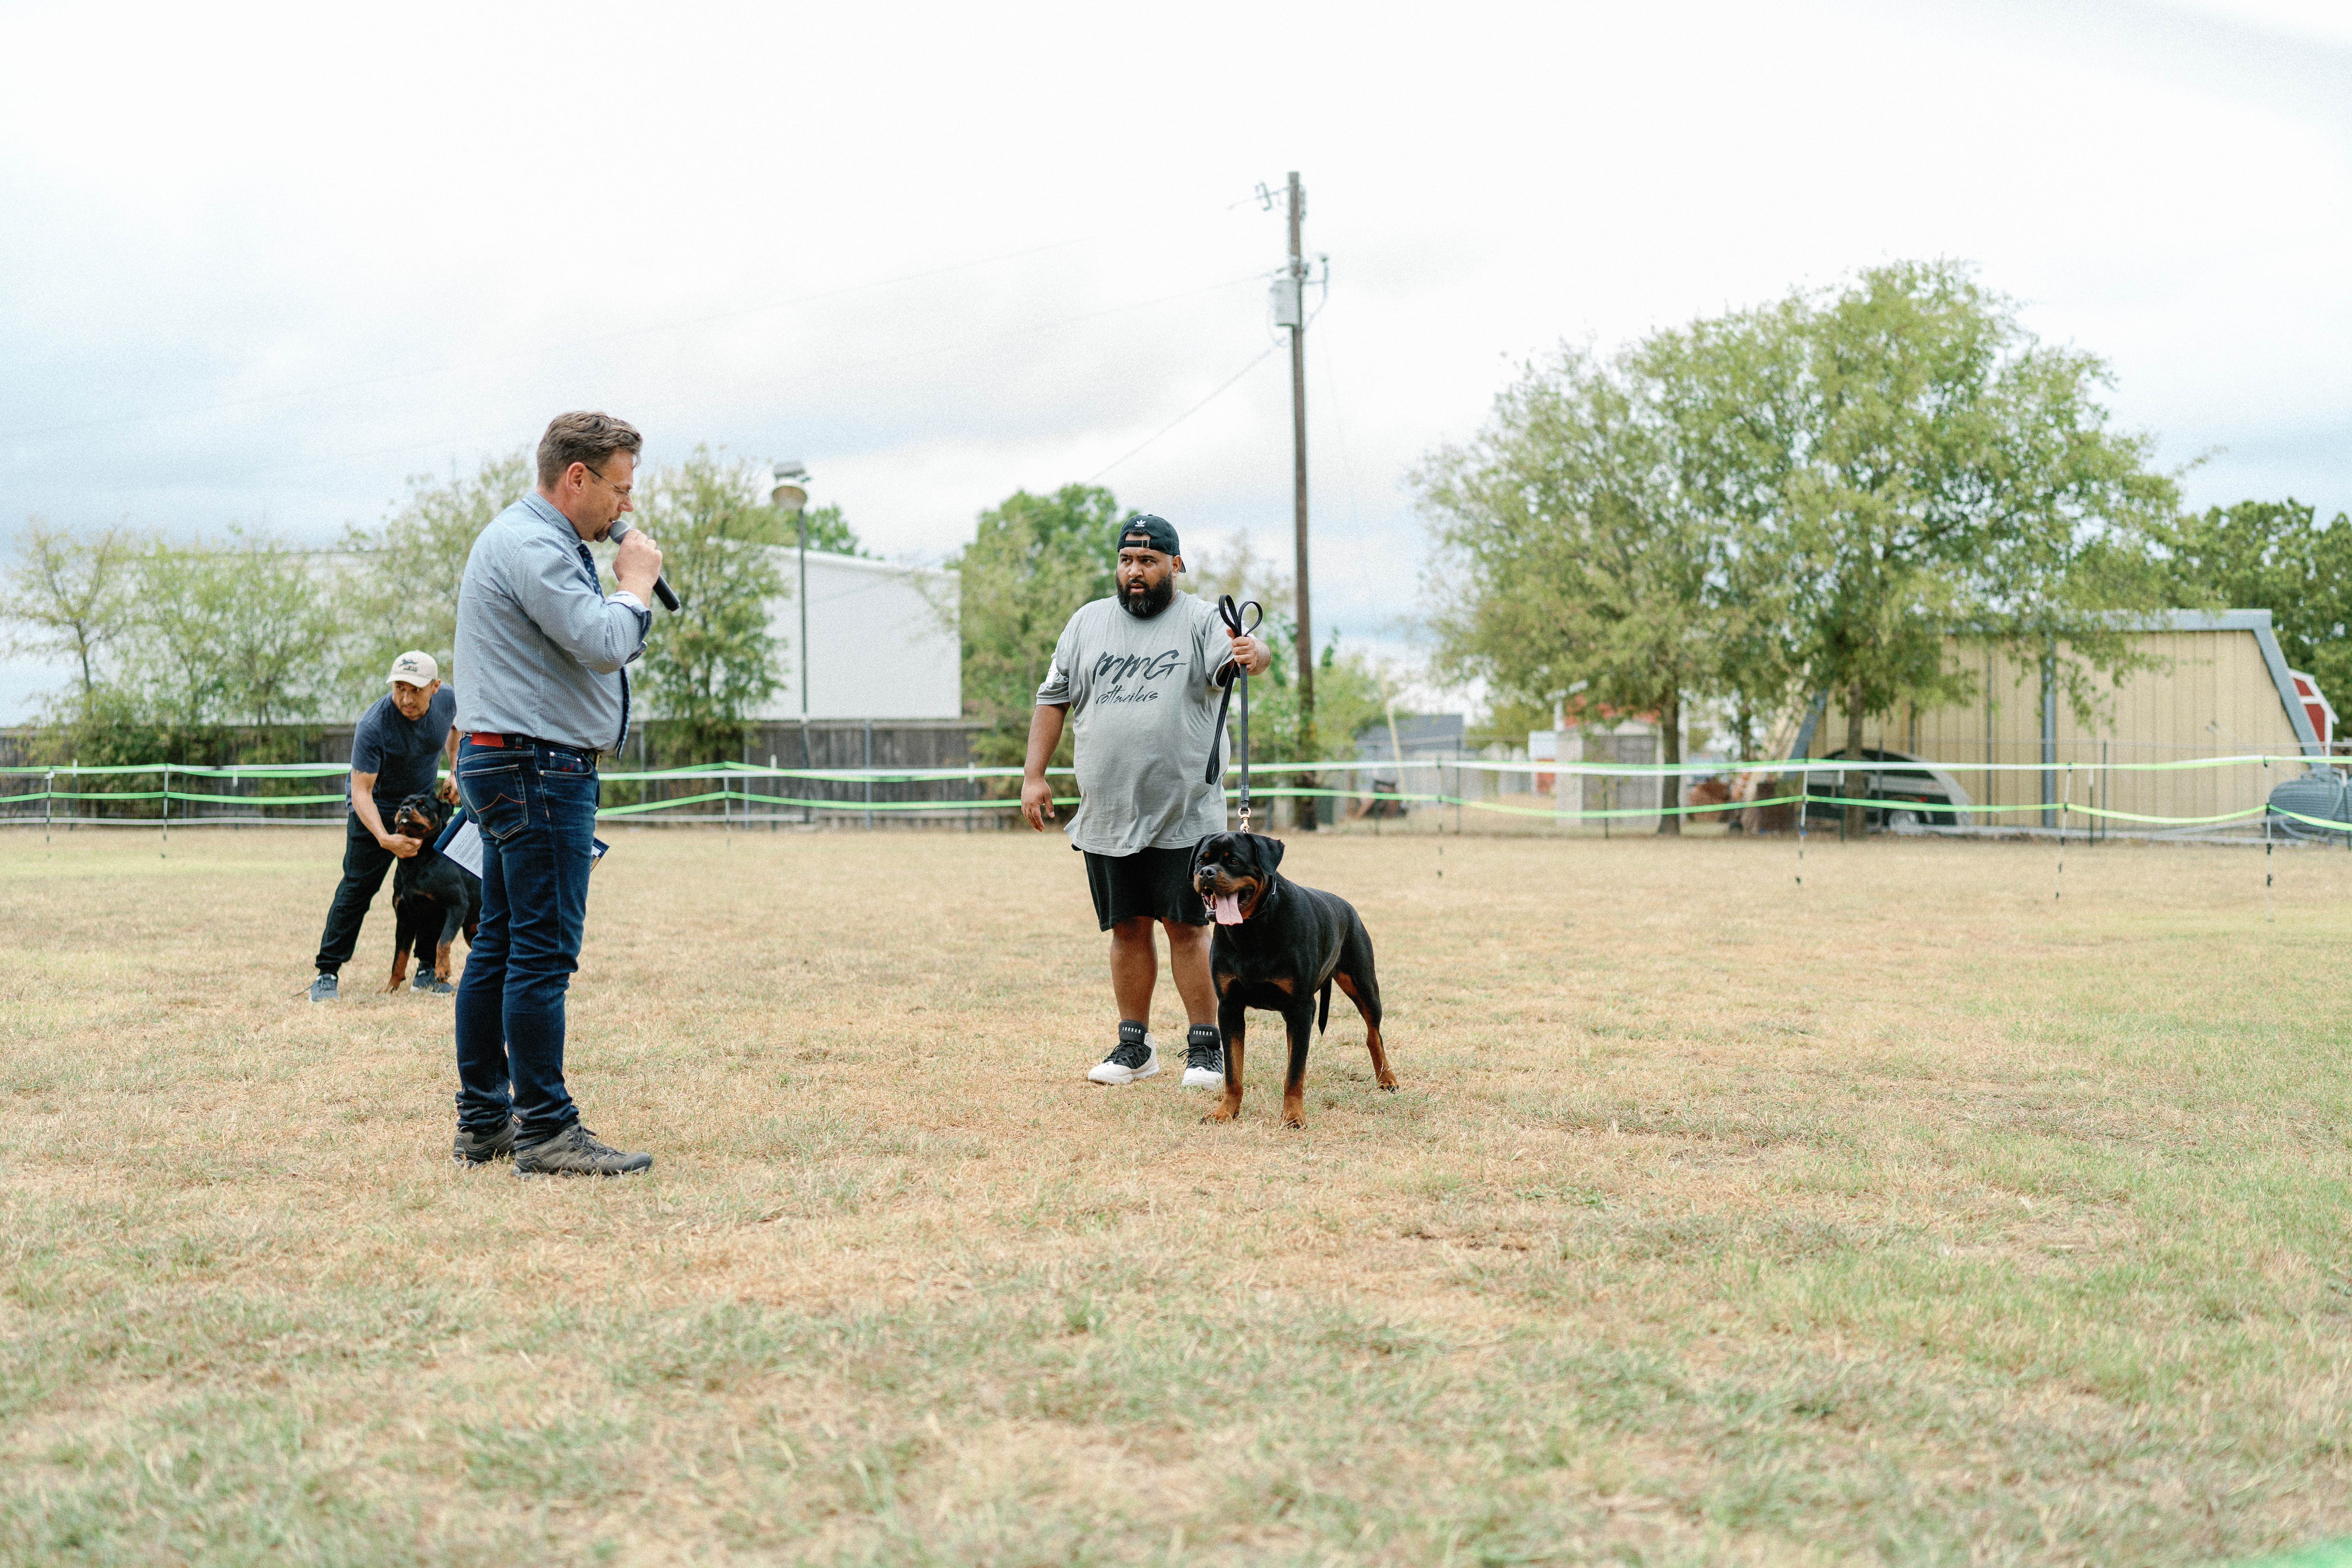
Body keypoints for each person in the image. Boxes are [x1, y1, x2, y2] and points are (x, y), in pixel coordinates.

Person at [448, 411, 664, 1177]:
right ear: (577, 477)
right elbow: (604, 643)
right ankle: (545, 1128)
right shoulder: (535, 543)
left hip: (513, 766)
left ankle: (486, 1118)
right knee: (540, 952)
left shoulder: (526, 538)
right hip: (537, 772)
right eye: (618, 488)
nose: (624, 508)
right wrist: (634, 586)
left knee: (502, 942)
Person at [1021, 513, 1271, 1087]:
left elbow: (1250, 656)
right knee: (1127, 927)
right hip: (1107, 811)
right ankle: (1134, 1045)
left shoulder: (1202, 620)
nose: (1135, 571)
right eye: (1127, 561)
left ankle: (1205, 1047)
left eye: (1149, 561)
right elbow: (1052, 698)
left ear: (1174, 565)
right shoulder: (1085, 623)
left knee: (1186, 927)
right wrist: (1033, 774)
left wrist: (1253, 652)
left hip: (1184, 812)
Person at [307, 651, 458, 1002]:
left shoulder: (448, 698)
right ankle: (327, 972)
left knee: (433, 889)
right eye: (399, 689)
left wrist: (455, 768)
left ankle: (425, 969)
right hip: (376, 810)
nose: (406, 699)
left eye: (415, 690)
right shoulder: (374, 724)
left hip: (422, 808)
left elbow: (457, 724)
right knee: (357, 890)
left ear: (435, 688)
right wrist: (384, 837)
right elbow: (361, 792)